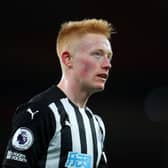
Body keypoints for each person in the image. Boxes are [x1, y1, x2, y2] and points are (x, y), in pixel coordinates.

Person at [2, 18, 114, 168]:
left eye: (109, 56)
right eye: (97, 54)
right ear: (68, 59)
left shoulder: (96, 124)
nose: (107, 64)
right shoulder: (40, 112)